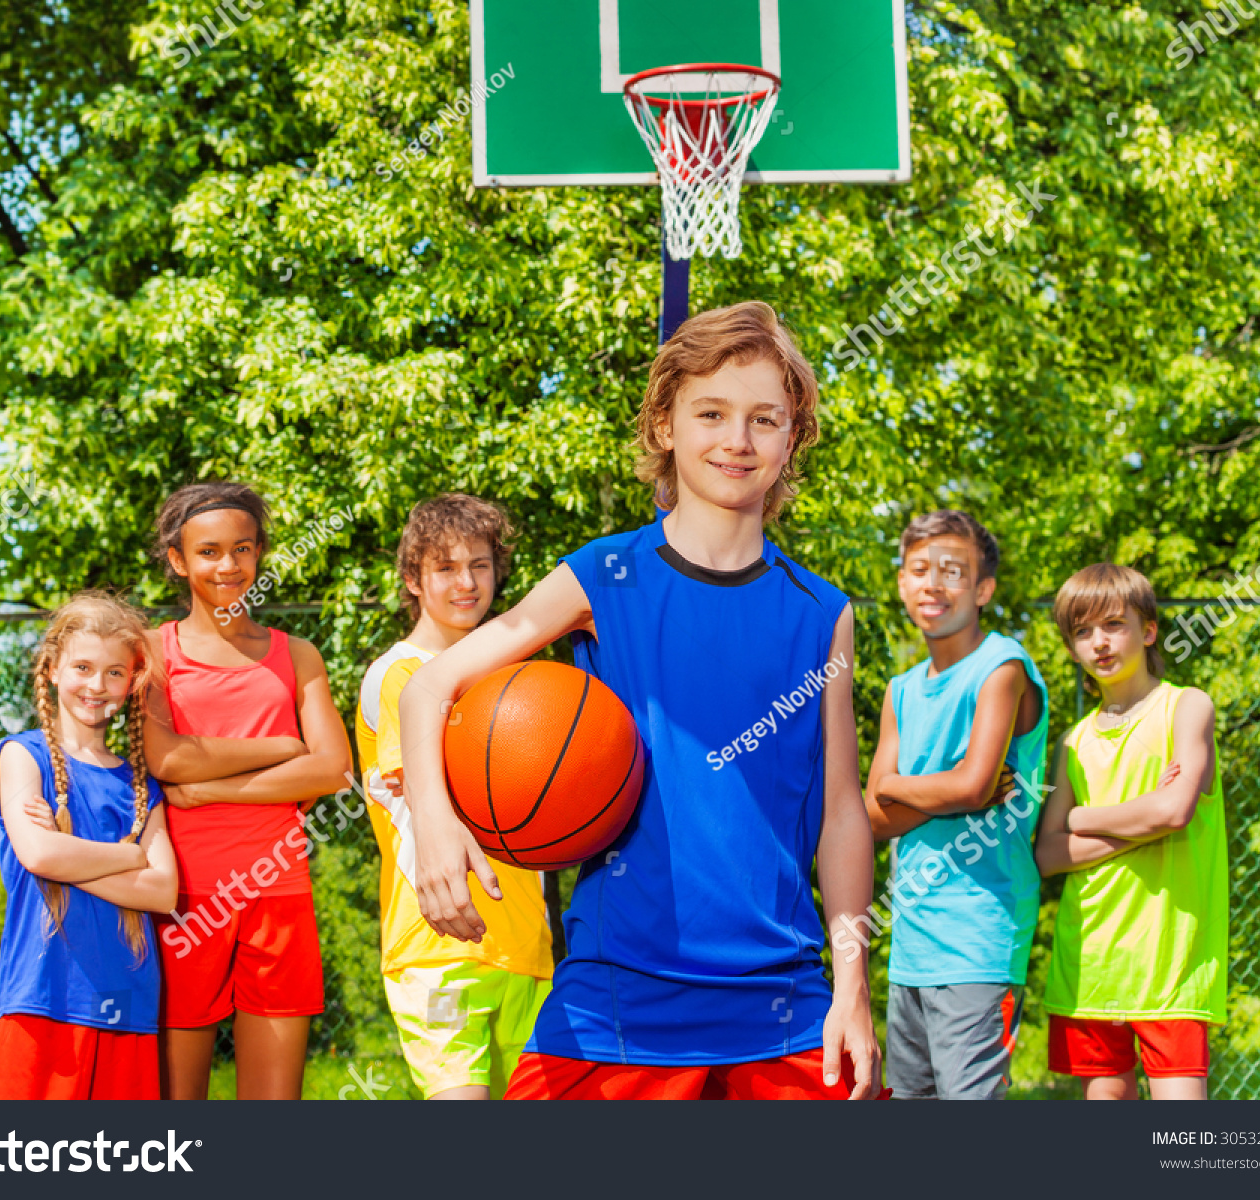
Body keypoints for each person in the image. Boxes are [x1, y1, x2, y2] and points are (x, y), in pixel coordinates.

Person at [402, 301, 881, 1100]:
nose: (738, 439)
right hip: (616, 996)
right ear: (664, 426)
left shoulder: (821, 613)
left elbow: (840, 813)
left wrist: (854, 988)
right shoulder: (605, 575)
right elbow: (430, 686)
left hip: (784, 1005)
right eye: (712, 413)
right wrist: (436, 825)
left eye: (766, 418)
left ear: (792, 437)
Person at [143, 482, 355, 1100]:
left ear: (260, 553)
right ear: (179, 561)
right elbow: (168, 756)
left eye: (242, 548)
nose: (228, 565)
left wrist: (211, 792)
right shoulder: (156, 652)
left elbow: (335, 771)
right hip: (184, 894)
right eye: (208, 552)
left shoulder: (299, 655)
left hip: (278, 890)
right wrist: (284, 748)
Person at [356, 494, 553, 1099]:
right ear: (413, 579)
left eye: (480, 565)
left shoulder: (515, 676)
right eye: (445, 568)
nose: (466, 582)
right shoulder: (399, 674)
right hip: (437, 942)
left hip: (525, 943)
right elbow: (428, 788)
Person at [860, 511, 1048, 1100]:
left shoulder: (1003, 666)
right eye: (919, 570)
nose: (932, 584)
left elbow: (969, 788)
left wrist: (904, 788)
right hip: (912, 944)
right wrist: (954, 786)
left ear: (982, 589)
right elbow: (871, 813)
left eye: (952, 572)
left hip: (979, 938)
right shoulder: (901, 690)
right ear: (901, 583)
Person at [1035, 563, 1227, 1100]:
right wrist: (1148, 814)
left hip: (1172, 968)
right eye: (1082, 631)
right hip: (1091, 964)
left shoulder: (1187, 706)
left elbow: (1174, 813)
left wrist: (1079, 817)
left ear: (1148, 631)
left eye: (1114, 624)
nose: (1099, 642)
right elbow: (1048, 855)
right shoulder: (1073, 742)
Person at [0, 591, 178, 1100]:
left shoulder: (140, 781)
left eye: (115, 672)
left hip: (127, 999)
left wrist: (69, 848)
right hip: (42, 995)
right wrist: (131, 854)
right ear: (52, 669)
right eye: (84, 667)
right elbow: (41, 855)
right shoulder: (22, 757)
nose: (97, 685)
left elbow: (162, 892)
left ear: (132, 681)